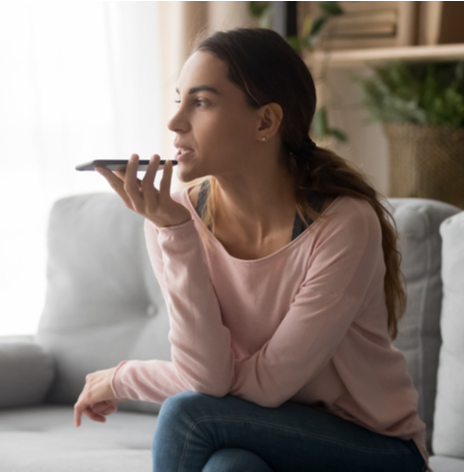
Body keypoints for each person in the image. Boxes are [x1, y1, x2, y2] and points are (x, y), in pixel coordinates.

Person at [74, 27, 431, 472]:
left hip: (375, 450)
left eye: (201, 102)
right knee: (230, 467)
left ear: (265, 122)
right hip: (261, 430)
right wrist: (175, 232)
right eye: (179, 100)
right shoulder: (176, 217)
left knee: (187, 414)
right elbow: (206, 376)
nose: (175, 122)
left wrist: (124, 378)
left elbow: (265, 385)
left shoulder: (342, 224)